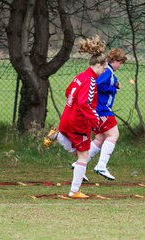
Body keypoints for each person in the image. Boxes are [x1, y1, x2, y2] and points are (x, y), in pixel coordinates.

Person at [45, 35, 107, 198]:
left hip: (67, 117)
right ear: (99, 65)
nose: (103, 73)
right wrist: (95, 122)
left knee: (78, 152)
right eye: (104, 69)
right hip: (78, 123)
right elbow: (85, 103)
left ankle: (57, 134)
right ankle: (74, 191)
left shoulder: (80, 77)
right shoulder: (91, 81)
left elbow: (68, 92)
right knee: (83, 155)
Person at [71, 48, 127, 181]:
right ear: (115, 61)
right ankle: (101, 166)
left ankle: (79, 163)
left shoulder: (107, 71)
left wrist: (115, 86)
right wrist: (113, 89)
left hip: (99, 109)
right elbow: (96, 85)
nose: (120, 66)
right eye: (120, 63)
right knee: (114, 135)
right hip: (102, 109)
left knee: (100, 138)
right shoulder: (107, 71)